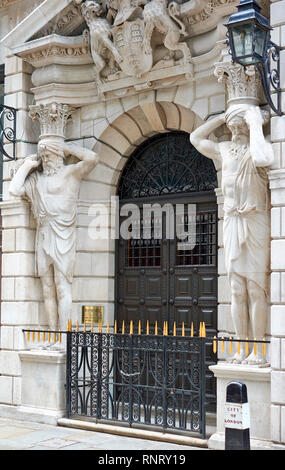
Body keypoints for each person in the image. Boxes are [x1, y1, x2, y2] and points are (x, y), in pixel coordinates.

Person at [190, 105, 274, 365]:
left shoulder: (258, 146)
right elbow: (195, 138)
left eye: (240, 126)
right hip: (232, 221)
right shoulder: (225, 149)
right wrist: (218, 117)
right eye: (233, 126)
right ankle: (240, 347)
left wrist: (255, 123)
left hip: (255, 219)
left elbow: (263, 160)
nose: (235, 130)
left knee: (255, 288)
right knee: (237, 289)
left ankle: (258, 350)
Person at [9, 141, 99, 343]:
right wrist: (27, 165)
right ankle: (53, 335)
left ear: (59, 156)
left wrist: (65, 146)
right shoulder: (37, 179)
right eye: (44, 156)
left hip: (63, 234)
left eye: (49, 155)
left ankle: (65, 338)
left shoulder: (70, 173)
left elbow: (93, 158)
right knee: (47, 288)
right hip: (43, 233)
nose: (46, 160)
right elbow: (14, 190)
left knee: (61, 285)